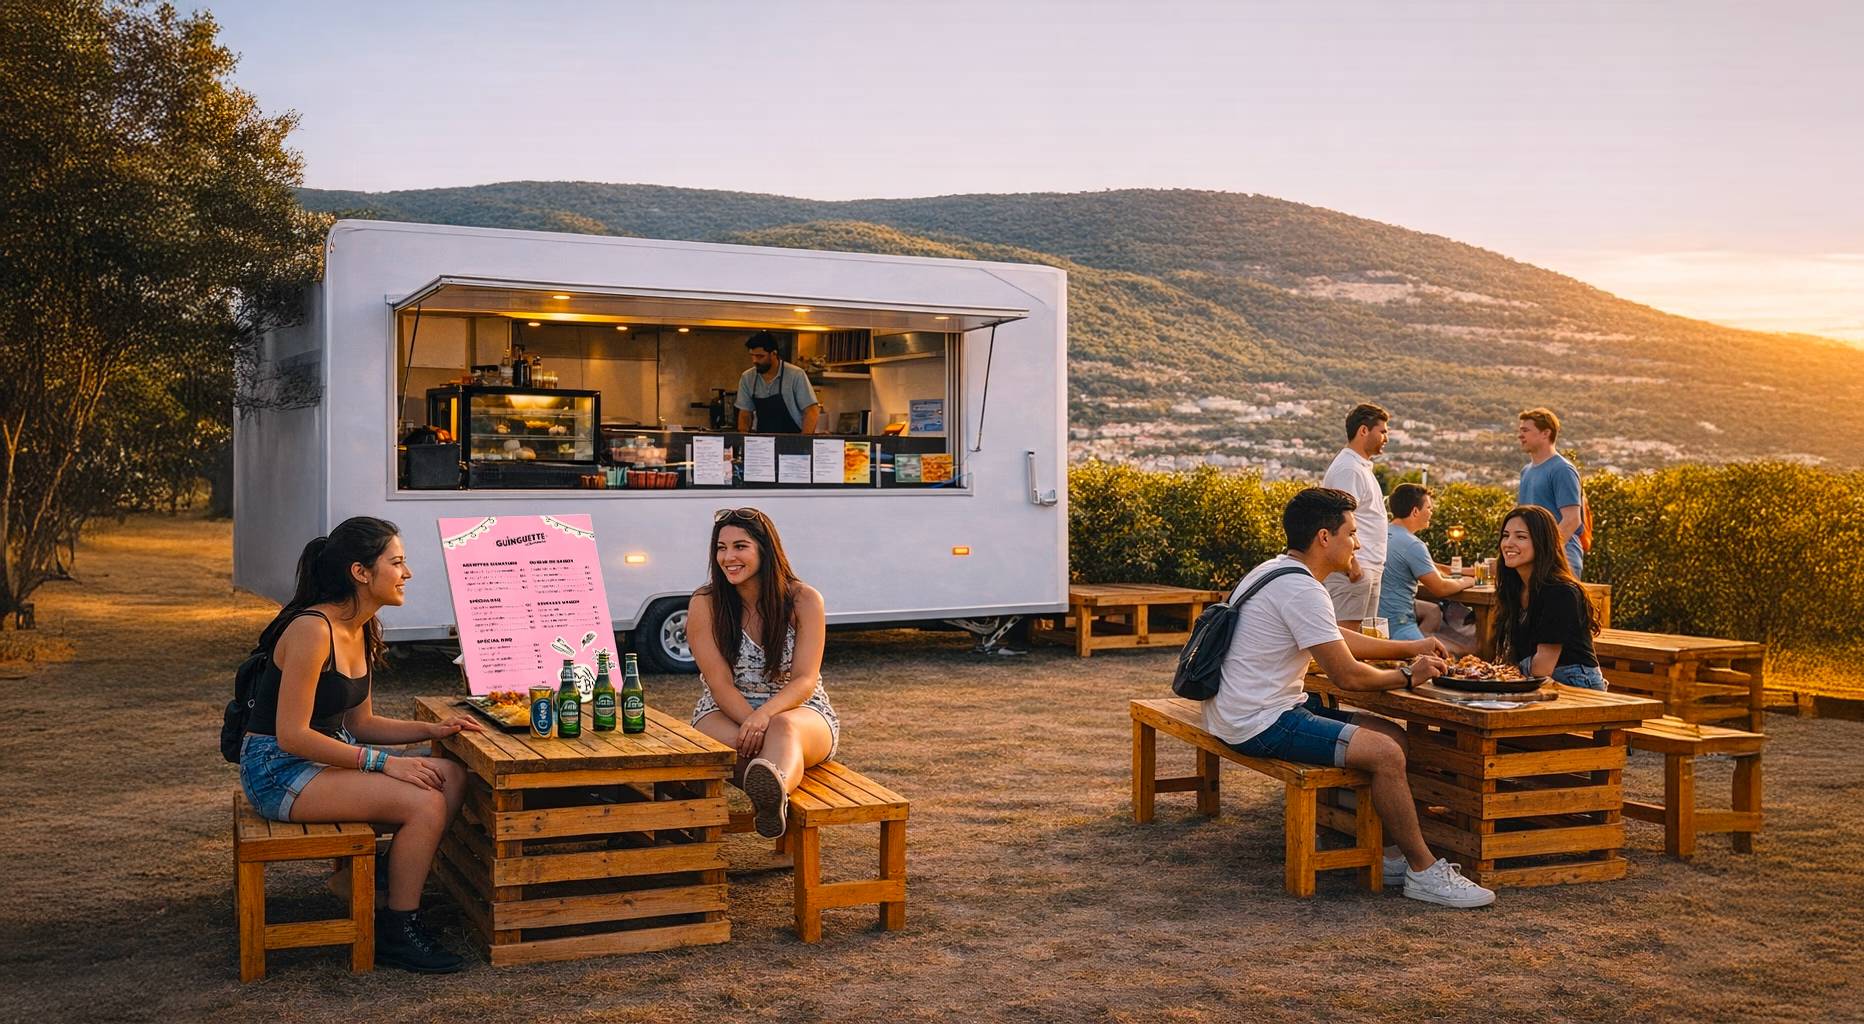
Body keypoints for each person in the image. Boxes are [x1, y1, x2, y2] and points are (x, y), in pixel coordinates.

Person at [1204, 487, 1497, 908]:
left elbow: (1334, 635)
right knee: (1385, 753)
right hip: (1259, 723)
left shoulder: (1274, 571)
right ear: (1325, 537)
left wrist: (1408, 647)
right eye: (1352, 533)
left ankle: (1391, 855)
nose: (1358, 543)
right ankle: (1423, 871)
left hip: (1240, 708)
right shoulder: (1302, 590)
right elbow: (1348, 676)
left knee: (1392, 736)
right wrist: (1408, 676)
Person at [239, 517, 481, 973]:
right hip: (278, 768)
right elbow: (291, 734)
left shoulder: (363, 629)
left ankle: (378, 881)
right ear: (361, 572)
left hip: (324, 756)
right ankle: (397, 929)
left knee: (451, 776)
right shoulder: (312, 630)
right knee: (424, 804)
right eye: (397, 562)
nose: (406, 573)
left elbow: (360, 723)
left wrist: (434, 731)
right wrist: (384, 765)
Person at [687, 507, 839, 838]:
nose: (728, 557)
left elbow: (804, 679)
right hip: (724, 709)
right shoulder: (705, 602)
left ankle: (774, 791)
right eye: (721, 548)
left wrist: (764, 717)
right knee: (727, 747)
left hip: (797, 710)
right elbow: (719, 682)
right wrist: (749, 720)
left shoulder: (804, 600)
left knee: (783, 730)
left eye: (740, 546)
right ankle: (772, 781)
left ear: (764, 549)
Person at [1494, 505, 1608, 690]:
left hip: (1576, 683)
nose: (1508, 543)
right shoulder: (1515, 588)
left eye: (1521, 537)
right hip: (1539, 681)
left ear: (1542, 542)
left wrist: (1500, 673)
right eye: (1506, 535)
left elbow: (1543, 667)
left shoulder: (1561, 592)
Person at [1379, 483, 1477, 654]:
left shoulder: (1382, 533)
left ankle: (1424, 640)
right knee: (1468, 650)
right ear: (1415, 511)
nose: (1431, 513)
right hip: (1398, 625)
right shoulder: (1413, 544)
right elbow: (1440, 588)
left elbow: (1432, 567)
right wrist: (1469, 581)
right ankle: (1422, 649)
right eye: (1429, 508)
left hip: (1377, 620)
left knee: (1432, 611)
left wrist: (1467, 571)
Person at [1321, 403, 1391, 630]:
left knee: (1364, 639)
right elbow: (1340, 517)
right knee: (1348, 638)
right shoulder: (1348, 469)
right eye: (1382, 431)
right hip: (1354, 570)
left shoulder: (1360, 467)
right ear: (1363, 431)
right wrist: (1351, 563)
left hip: (1368, 567)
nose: (1386, 438)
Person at [1516, 407, 1586, 578]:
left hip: (1560, 561)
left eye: (1526, 430)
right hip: (1532, 560)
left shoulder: (1562, 469)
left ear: (1545, 433)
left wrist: (1544, 553)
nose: (1520, 435)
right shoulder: (1526, 471)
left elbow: (1572, 520)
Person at [735, 332, 822, 434]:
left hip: (792, 440)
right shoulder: (747, 378)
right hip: (763, 443)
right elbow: (745, 413)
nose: (755, 361)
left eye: (760, 356)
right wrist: (743, 438)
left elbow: (812, 411)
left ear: (773, 354)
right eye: (752, 356)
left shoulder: (795, 375)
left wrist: (802, 442)